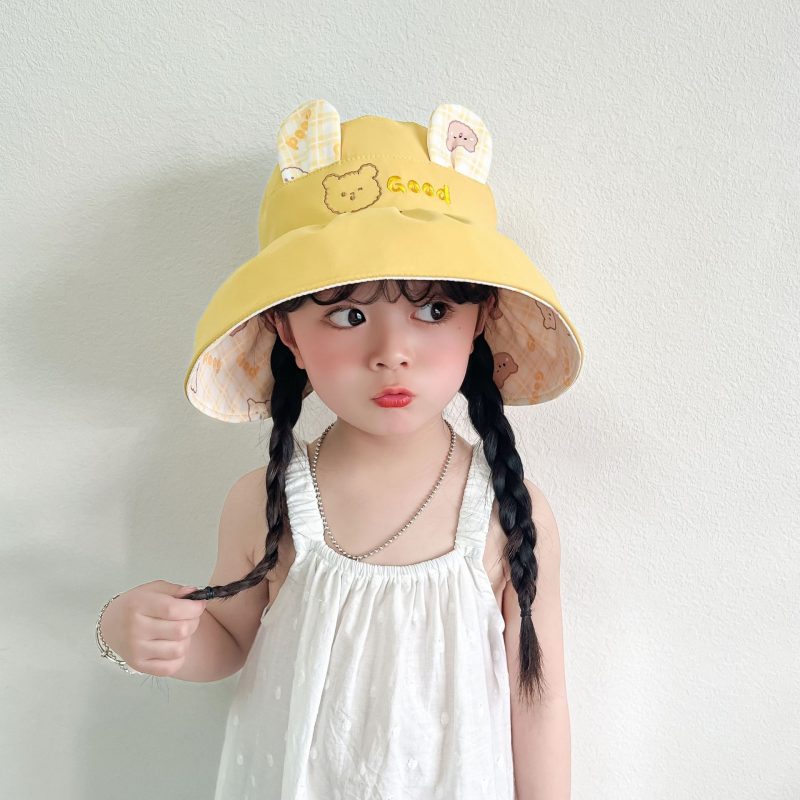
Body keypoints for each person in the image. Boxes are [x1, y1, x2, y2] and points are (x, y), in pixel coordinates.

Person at [96, 99, 585, 799]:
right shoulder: (264, 502)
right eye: (349, 315)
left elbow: (538, 695)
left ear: (482, 318)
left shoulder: (509, 513)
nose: (392, 353)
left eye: (433, 309)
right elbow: (228, 642)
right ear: (287, 333)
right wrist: (132, 631)